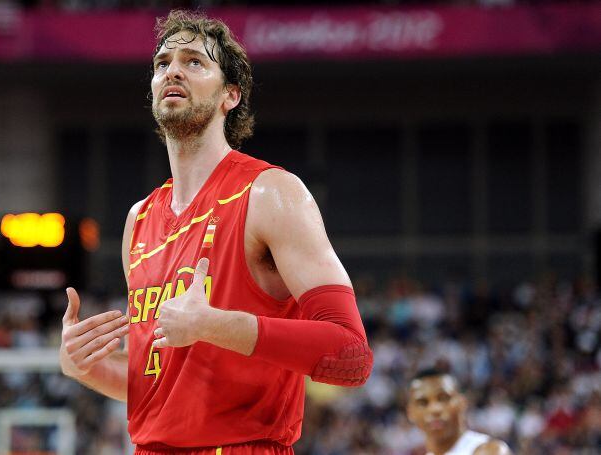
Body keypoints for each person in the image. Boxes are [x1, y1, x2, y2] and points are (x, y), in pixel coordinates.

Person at [59, 10, 373, 454]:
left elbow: (351, 356)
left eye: (193, 62)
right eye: (162, 63)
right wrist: (82, 367)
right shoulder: (139, 219)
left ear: (230, 94)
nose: (172, 71)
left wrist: (215, 325)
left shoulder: (271, 194)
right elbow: (161, 394)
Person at [406, 369, 512, 455]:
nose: (435, 409)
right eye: (423, 403)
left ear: (462, 403)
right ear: (410, 413)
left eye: (443, 398)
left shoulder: (489, 451)